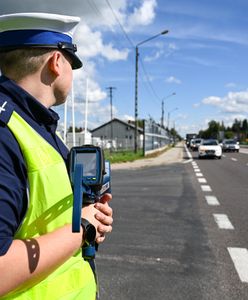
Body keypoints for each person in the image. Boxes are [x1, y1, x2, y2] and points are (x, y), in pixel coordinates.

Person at [0, 12, 113, 299]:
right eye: (73, 65)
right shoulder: (4, 133)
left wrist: (90, 216)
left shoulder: (36, 127)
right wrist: (82, 227)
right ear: (56, 62)